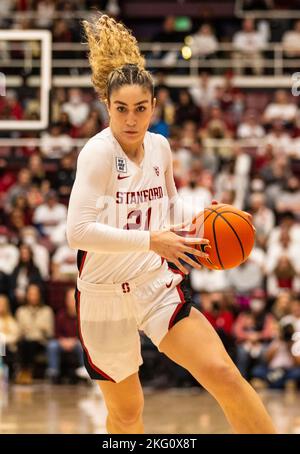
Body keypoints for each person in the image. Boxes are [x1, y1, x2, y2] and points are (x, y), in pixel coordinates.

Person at [66, 14, 276, 434]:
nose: (131, 119)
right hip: (103, 297)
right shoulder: (98, 154)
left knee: (224, 373)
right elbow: (78, 232)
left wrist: (213, 215)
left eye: (140, 109)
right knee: (127, 413)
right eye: (121, 109)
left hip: (152, 284)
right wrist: (151, 241)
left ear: (153, 108)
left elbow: (170, 209)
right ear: (107, 106)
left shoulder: (160, 147)